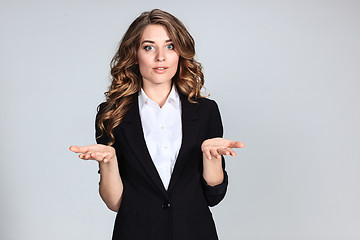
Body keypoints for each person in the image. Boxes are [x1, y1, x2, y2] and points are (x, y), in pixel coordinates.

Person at [69, 9, 244, 240]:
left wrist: (211, 158)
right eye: (149, 47)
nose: (160, 57)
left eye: (170, 46)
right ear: (134, 54)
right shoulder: (112, 114)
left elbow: (213, 197)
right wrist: (109, 162)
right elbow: (115, 203)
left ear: (180, 53)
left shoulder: (205, 111)